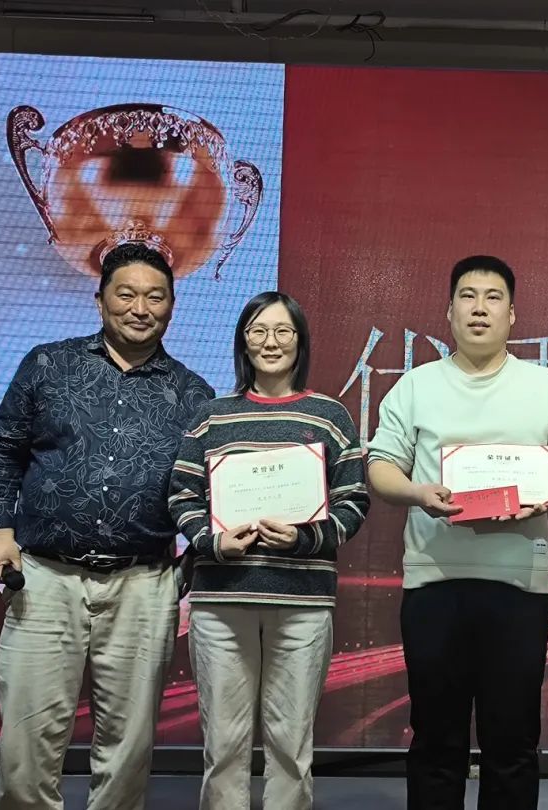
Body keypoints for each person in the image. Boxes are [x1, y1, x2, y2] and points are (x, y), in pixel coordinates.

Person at [0, 242, 214, 810]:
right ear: (100, 299)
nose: (140, 308)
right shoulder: (48, 365)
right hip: (44, 578)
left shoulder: (194, 394)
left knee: (128, 747)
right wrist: (2, 532)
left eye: (155, 297)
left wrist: (191, 561)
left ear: (172, 305)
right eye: (126, 294)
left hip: (144, 583)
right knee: (27, 741)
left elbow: (208, 491)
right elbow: (1, 453)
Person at [366, 255, 548, 810]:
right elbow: (381, 466)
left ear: (512, 315)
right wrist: (419, 493)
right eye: (468, 296)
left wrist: (542, 496)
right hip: (434, 583)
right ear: (449, 312)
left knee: (512, 741)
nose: (480, 308)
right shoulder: (414, 386)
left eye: (493, 297)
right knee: (436, 740)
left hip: (519, 587)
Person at [167, 291, 369, 810]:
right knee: (223, 746)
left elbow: (353, 501)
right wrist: (212, 541)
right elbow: (182, 495)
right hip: (221, 600)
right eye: (258, 331)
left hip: (301, 602)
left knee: (291, 745)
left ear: (300, 341)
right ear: (243, 341)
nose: (270, 342)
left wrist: (305, 538)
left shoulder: (328, 416)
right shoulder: (212, 417)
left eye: (283, 331)